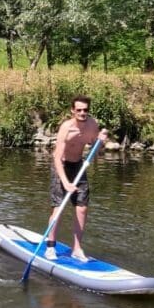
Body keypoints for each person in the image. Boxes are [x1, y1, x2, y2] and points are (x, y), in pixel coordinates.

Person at [45, 96, 108, 261]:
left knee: (82, 208)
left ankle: (77, 248)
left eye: (85, 110)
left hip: (79, 166)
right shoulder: (66, 127)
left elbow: (96, 149)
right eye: (78, 110)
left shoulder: (92, 125)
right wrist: (66, 183)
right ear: (73, 110)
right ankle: (50, 246)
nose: (82, 113)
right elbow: (57, 157)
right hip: (61, 166)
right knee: (58, 207)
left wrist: (101, 141)